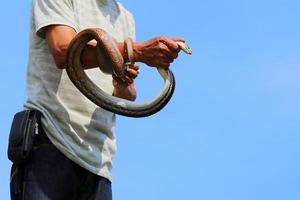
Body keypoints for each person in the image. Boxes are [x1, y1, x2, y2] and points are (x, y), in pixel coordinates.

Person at [10, 0, 183, 199]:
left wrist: (122, 83)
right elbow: (63, 50)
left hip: (99, 161)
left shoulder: (125, 18)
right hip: (50, 141)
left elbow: (125, 95)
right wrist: (137, 51)